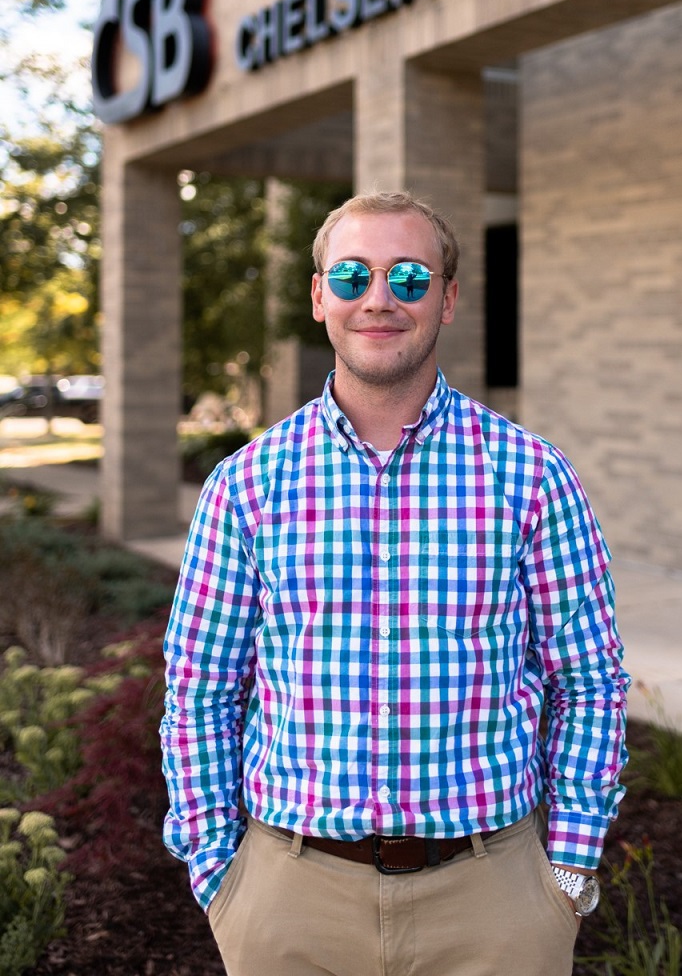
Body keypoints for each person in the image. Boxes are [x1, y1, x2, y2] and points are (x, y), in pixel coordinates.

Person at [161, 190, 629, 976]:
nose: (379, 298)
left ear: (447, 298)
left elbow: (588, 681)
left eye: (410, 278)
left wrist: (569, 871)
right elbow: (200, 687)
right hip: (287, 903)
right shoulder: (246, 486)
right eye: (352, 276)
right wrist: (220, 875)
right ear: (319, 297)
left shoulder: (532, 477)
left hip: (496, 906)